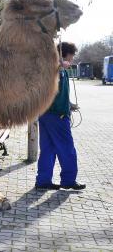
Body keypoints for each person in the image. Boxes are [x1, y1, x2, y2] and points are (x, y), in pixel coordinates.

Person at [35, 42, 86, 191]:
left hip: (46, 114)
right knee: (67, 148)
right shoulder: (55, 68)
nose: (73, 58)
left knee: (48, 149)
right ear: (66, 54)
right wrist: (59, 64)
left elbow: (55, 91)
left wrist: (69, 104)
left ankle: (43, 181)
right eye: (72, 55)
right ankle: (69, 180)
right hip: (57, 116)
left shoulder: (60, 69)